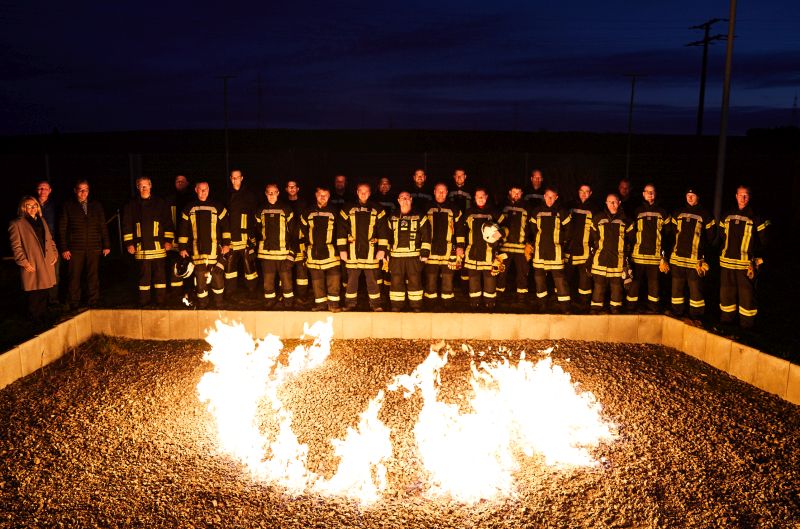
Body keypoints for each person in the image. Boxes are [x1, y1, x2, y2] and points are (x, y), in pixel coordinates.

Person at [718, 185, 769, 329]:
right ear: (736, 196)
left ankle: (747, 327)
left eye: (746, 195)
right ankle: (726, 323)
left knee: (747, 296)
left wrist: (759, 258)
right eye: (741, 195)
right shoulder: (727, 215)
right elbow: (722, 235)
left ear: (750, 197)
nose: (743, 198)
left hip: (746, 265)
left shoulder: (756, 217)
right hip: (727, 262)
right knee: (726, 293)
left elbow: (764, 240)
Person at [122, 177, 174, 307]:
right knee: (143, 277)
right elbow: (127, 225)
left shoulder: (160, 203)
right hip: (141, 247)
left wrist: (168, 241)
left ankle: (160, 301)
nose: (144, 189)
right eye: (141, 186)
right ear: (137, 188)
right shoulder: (131, 205)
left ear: (151, 186)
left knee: (160, 276)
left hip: (158, 247)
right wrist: (129, 243)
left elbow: (168, 222)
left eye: (146, 186)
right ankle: (144, 302)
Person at [177, 181, 231, 309]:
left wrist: (226, 244)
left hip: (215, 250)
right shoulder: (189, 208)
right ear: (196, 190)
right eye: (200, 189)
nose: (203, 192)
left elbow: (226, 226)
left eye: (205, 189)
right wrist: (183, 247)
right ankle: (203, 304)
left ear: (209, 190)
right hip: (197, 250)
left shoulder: (217, 207)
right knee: (200, 276)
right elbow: (183, 228)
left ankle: (219, 303)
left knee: (217, 276)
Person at [58, 180, 110, 309]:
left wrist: (106, 245)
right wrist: (64, 248)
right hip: (75, 248)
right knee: (74, 276)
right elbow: (62, 228)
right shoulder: (68, 205)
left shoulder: (96, 205)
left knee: (93, 275)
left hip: (94, 246)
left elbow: (103, 226)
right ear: (75, 190)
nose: (83, 192)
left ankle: (93, 301)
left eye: (86, 189)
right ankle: (74, 302)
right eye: (80, 189)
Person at [666, 187, 716, 322]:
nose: (690, 197)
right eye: (688, 195)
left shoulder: (705, 214)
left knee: (696, 289)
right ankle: (677, 313)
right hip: (677, 259)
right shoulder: (678, 213)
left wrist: (703, 252)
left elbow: (711, 237)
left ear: (698, 197)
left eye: (693, 195)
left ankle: (696, 316)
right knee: (676, 288)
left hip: (695, 260)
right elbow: (671, 234)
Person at [337, 182, 387, 311]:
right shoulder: (348, 208)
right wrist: (342, 250)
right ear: (357, 192)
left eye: (366, 191)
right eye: (361, 191)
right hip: (352, 251)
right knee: (352, 279)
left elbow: (383, 230)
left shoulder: (378, 209)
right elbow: (341, 230)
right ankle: (350, 303)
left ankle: (376, 304)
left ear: (370, 193)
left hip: (371, 251)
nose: (363, 194)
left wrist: (382, 250)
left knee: (372, 280)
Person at [9, 196, 58, 326]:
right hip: (32, 262)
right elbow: (16, 246)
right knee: (34, 292)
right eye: (29, 206)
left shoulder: (41, 220)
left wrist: (54, 253)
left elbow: (50, 239)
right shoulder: (17, 223)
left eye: (34, 205)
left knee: (44, 290)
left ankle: (43, 316)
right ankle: (34, 318)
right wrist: (24, 262)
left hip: (46, 261)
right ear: (23, 208)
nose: (32, 208)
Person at [458, 188, 506, 311]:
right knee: (473, 279)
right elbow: (460, 229)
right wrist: (459, 247)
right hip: (472, 252)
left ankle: (490, 304)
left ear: (486, 197)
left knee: (490, 279)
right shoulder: (468, 213)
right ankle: (474, 304)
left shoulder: (493, 212)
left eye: (482, 196)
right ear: (474, 198)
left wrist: (497, 235)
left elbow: (506, 225)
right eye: (478, 196)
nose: (480, 198)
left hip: (489, 253)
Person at [626, 184, 670, 313]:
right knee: (635, 282)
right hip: (638, 255)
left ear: (655, 194)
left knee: (653, 283)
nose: (650, 194)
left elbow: (667, 233)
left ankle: (653, 307)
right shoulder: (637, 211)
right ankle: (630, 306)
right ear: (643, 194)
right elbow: (632, 232)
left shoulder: (662, 211)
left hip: (655, 256)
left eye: (652, 192)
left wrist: (664, 253)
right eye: (647, 192)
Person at [385, 191, 430, 312]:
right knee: (396, 281)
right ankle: (396, 305)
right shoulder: (392, 216)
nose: (404, 200)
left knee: (415, 281)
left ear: (411, 199)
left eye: (407, 198)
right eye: (402, 198)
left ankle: (416, 306)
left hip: (414, 256)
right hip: (395, 257)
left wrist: (425, 253)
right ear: (398, 200)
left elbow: (426, 235)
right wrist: (386, 253)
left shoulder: (420, 216)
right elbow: (387, 236)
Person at [300, 186, 342, 312]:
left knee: (334, 279)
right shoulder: (308, 212)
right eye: (320, 195)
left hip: (331, 252)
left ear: (329, 196)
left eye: (325, 195)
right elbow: (302, 231)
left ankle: (333, 305)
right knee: (317, 280)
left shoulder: (335, 212)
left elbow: (341, 231)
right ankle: (320, 304)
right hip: (314, 251)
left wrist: (340, 249)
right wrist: (305, 248)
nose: (322, 197)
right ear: (316, 195)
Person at [254, 183, 296, 309]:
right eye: (269, 192)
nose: (271, 195)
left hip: (283, 253)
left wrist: (292, 253)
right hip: (266, 254)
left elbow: (293, 232)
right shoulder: (260, 210)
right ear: (266, 193)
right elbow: (256, 230)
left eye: (274, 192)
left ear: (278, 193)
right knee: (268, 280)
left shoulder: (286, 209)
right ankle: (270, 300)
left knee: (286, 279)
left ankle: (288, 301)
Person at [529, 187, 571, 312]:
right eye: (547, 196)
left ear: (556, 197)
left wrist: (562, 243)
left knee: (560, 280)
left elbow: (569, 231)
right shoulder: (536, 211)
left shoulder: (562, 212)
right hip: (539, 251)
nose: (550, 199)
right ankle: (542, 305)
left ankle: (565, 307)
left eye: (553, 196)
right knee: (539, 279)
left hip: (556, 251)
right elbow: (532, 229)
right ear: (544, 196)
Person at [589, 193, 630, 314]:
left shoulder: (626, 220)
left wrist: (627, 263)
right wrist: (590, 259)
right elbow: (593, 239)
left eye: (615, 202)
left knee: (616, 287)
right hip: (601, 259)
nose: (612, 204)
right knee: (599, 287)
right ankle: (595, 309)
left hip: (618, 260)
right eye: (610, 202)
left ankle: (615, 309)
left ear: (619, 203)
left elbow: (630, 240)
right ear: (606, 203)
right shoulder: (598, 218)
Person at [423, 182, 461, 310]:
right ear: (434, 191)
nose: (441, 193)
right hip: (431, 248)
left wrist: (460, 245)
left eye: (443, 191)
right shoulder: (426, 207)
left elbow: (460, 228)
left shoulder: (454, 208)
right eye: (439, 191)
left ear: (447, 192)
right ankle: (430, 301)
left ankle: (447, 302)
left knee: (448, 276)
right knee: (431, 275)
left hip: (449, 249)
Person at [225, 169, 259, 301]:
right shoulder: (226, 195)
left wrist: (252, 237)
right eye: (233, 178)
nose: (235, 180)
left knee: (249, 266)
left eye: (237, 177)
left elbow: (254, 216)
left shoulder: (250, 195)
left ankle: (252, 292)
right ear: (230, 178)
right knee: (230, 268)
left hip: (246, 237)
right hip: (231, 238)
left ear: (242, 178)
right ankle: (230, 293)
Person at [565, 183, 599, 312]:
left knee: (585, 279)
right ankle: (564, 301)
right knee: (566, 277)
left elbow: (596, 230)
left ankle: (584, 303)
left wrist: (594, 246)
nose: (584, 194)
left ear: (590, 193)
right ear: (578, 192)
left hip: (585, 250)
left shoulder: (595, 209)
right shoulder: (569, 206)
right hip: (569, 249)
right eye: (581, 191)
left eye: (587, 191)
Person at [498, 185, 532, 303]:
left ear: (522, 193)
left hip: (521, 247)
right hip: (505, 246)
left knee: (522, 273)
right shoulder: (503, 206)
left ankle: (521, 296)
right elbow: (497, 224)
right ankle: (499, 293)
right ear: (509, 192)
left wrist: (529, 242)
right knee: (501, 271)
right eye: (514, 192)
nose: (516, 195)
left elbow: (531, 226)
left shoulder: (527, 207)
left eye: (518, 192)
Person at [167, 174, 193, 298]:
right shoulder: (169, 199)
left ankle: (188, 292)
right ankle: (176, 294)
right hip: (173, 240)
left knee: (188, 265)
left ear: (187, 183)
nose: (180, 183)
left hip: (189, 240)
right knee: (174, 266)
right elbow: (165, 221)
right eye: (178, 181)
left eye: (182, 181)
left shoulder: (192, 199)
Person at [285, 180, 310, 304]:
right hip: (286, 243)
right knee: (285, 271)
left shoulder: (304, 203)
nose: (292, 188)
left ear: (298, 189)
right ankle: (286, 295)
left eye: (294, 186)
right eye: (289, 187)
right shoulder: (282, 204)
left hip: (301, 242)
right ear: (286, 189)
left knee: (302, 271)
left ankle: (302, 295)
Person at [36, 180, 59, 305]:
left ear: (50, 190)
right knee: (39, 274)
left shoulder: (55, 206)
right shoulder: (31, 205)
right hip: (36, 245)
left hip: (52, 244)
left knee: (54, 273)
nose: (43, 191)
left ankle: (53, 300)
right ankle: (41, 302)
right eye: (40, 188)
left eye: (45, 188)